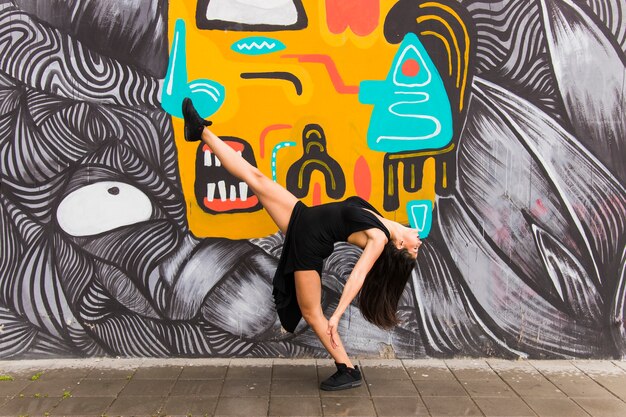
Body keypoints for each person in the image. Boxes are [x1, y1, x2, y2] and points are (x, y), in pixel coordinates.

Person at [182, 98, 421, 390]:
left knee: (312, 313)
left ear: (398, 247)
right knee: (255, 177)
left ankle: (346, 368)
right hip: (302, 216)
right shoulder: (383, 222)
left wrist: (337, 315)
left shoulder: (380, 237)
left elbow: (358, 276)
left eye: (414, 248)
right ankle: (201, 132)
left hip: (309, 243)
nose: (418, 241)